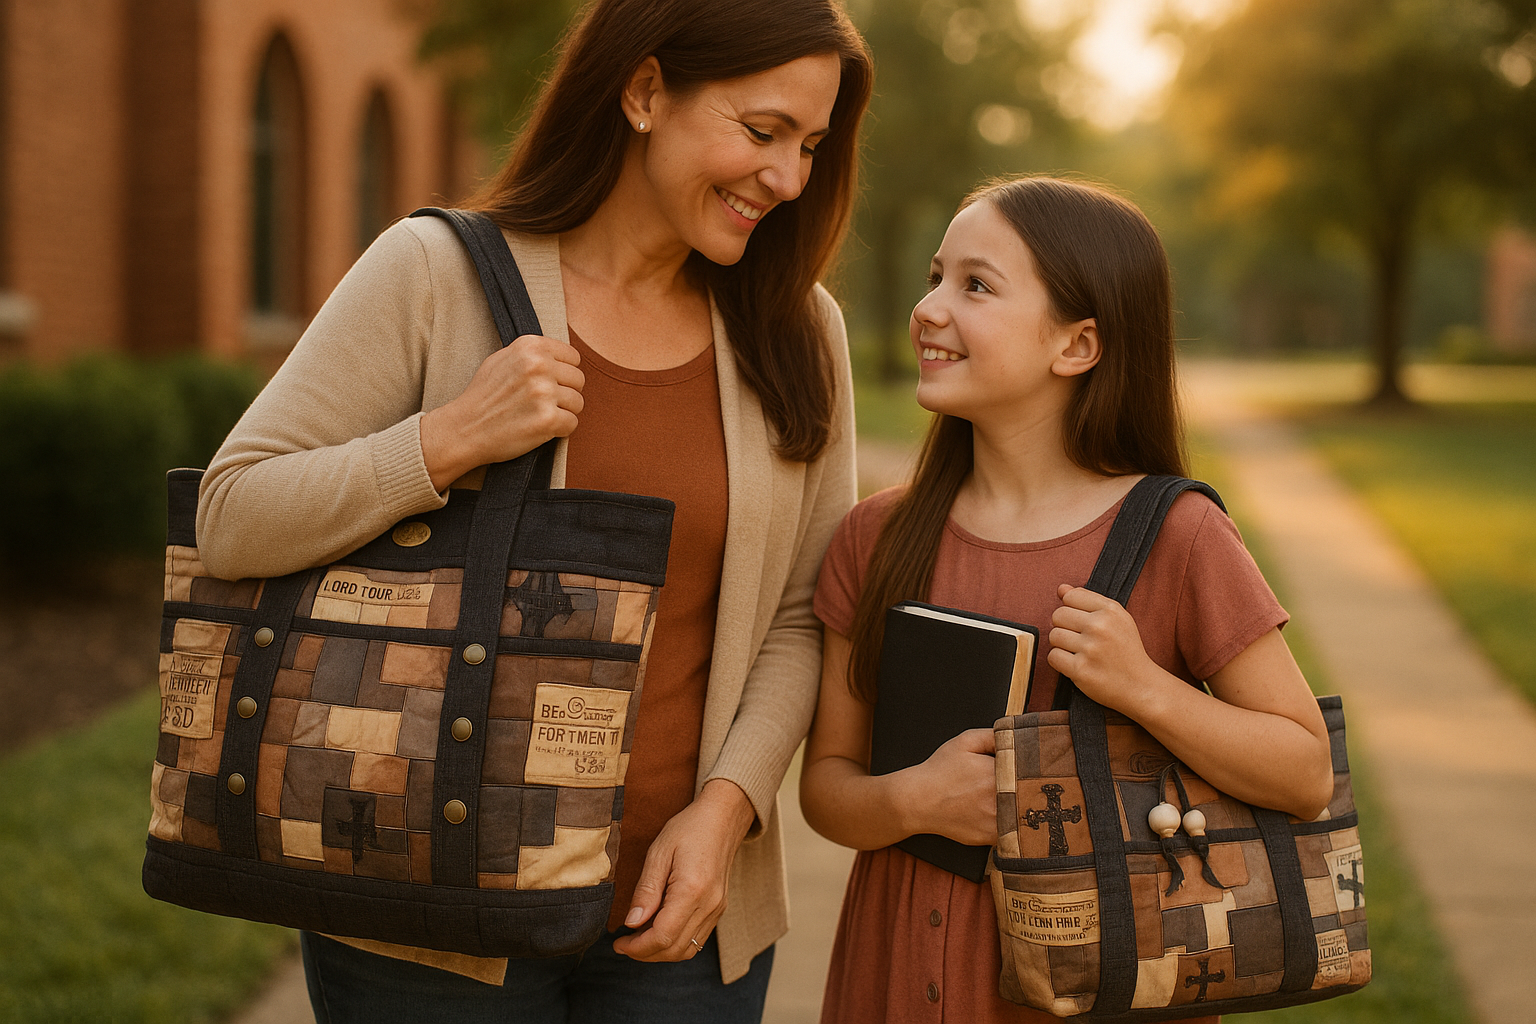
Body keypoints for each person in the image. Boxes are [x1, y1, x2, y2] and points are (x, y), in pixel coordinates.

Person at [196, 1, 872, 1020]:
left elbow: (800, 614)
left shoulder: (800, 330)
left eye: (810, 146)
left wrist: (728, 810)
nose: (787, 178)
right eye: (762, 131)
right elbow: (232, 513)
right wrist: (448, 439)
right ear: (644, 92)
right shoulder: (435, 273)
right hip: (425, 912)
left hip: (680, 920)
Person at [798, 176, 1336, 1023]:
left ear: (1077, 345)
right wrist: (914, 800)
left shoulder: (1180, 535)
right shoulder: (876, 536)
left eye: (976, 286)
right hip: (899, 972)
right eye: (936, 278)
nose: (928, 309)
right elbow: (827, 788)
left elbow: (1306, 774)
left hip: (1104, 981)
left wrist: (1145, 688)